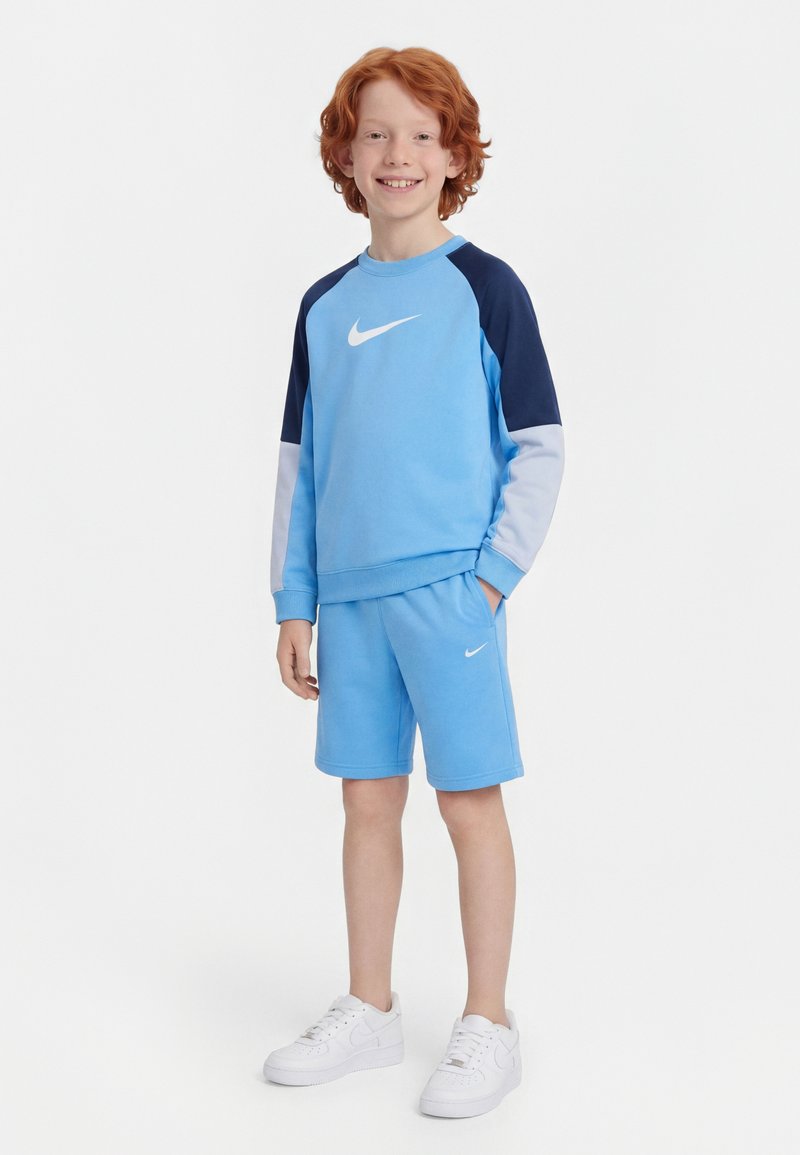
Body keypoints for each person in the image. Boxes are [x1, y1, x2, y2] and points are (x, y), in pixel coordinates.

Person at [263, 45, 565, 1119]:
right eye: (377, 134)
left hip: (451, 595)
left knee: (468, 800)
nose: (399, 154)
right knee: (366, 800)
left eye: (422, 136)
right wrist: (293, 602)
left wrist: (491, 580)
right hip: (348, 601)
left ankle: (487, 1020)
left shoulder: (485, 288)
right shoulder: (322, 305)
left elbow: (538, 445)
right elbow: (301, 469)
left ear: (454, 155)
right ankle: (371, 1007)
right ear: (345, 155)